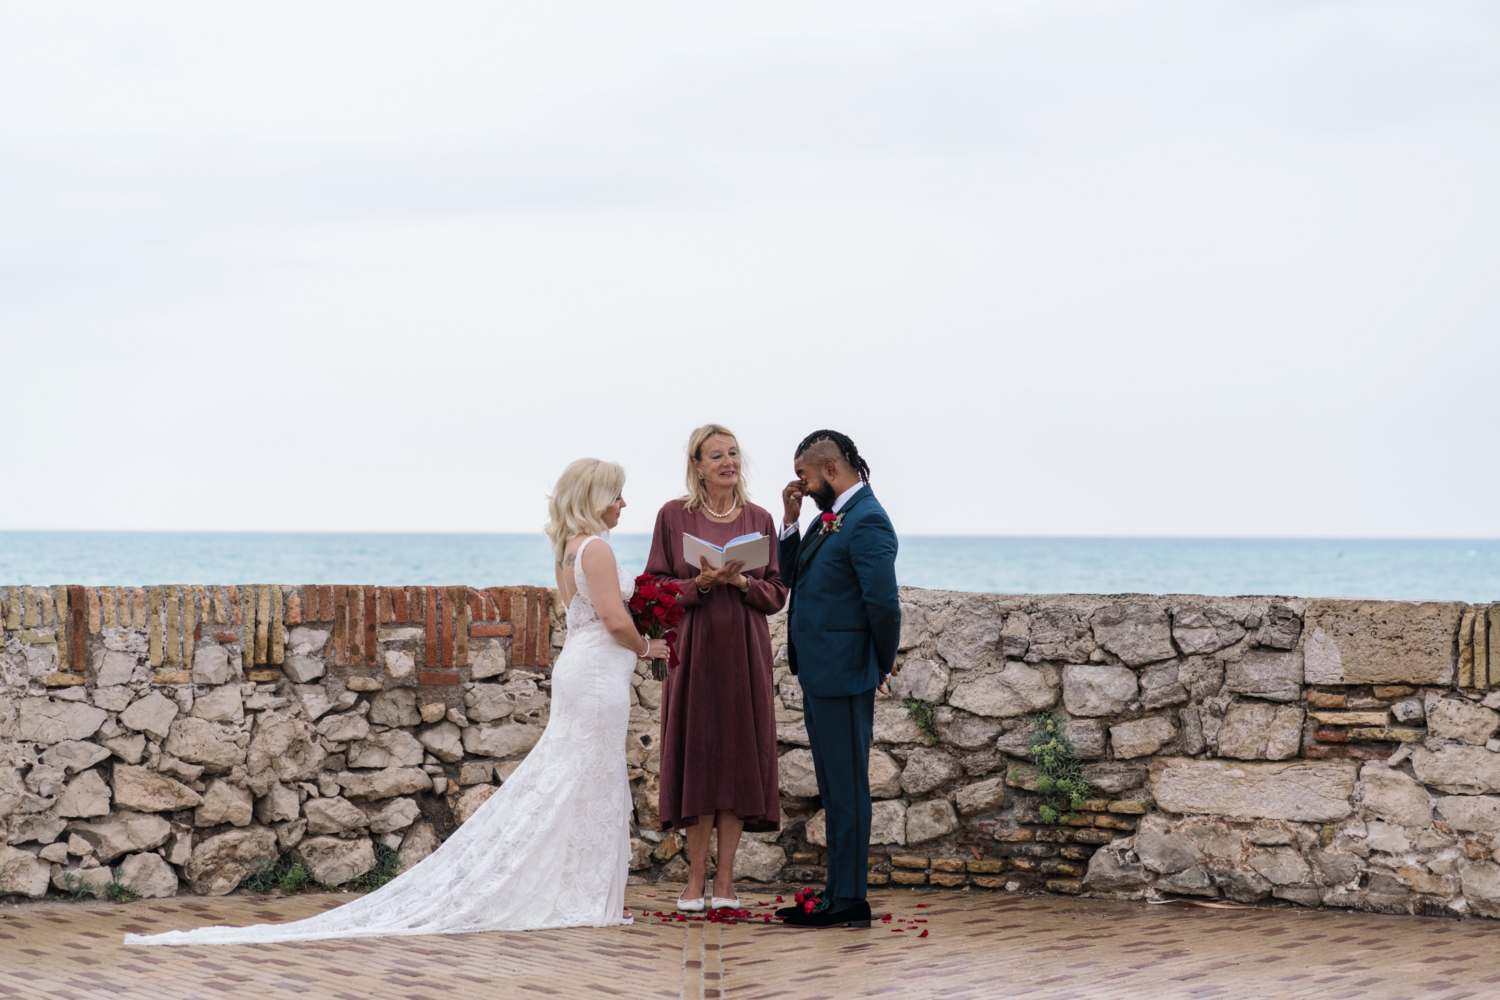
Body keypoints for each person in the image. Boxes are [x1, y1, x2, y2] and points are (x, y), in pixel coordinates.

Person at [126, 458, 668, 945]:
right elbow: (615, 620)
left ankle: (571, 887)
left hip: (584, 668)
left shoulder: (566, 549)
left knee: (575, 773)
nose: (623, 504)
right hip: (597, 674)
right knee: (586, 774)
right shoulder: (594, 547)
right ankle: (576, 890)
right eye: (617, 494)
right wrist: (649, 648)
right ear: (595, 497)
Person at [646, 424, 787, 911]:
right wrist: (702, 584)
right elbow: (656, 586)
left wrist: (743, 584)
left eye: (733, 453)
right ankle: (693, 881)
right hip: (695, 652)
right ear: (698, 466)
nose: (728, 462)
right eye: (716, 456)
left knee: (737, 762)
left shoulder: (761, 518)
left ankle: (725, 881)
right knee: (697, 760)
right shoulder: (672, 516)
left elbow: (777, 593)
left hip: (745, 654)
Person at [773, 430, 899, 929]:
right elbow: (793, 579)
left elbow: (883, 605)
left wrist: (880, 664)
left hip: (846, 673)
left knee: (847, 790)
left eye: (804, 476)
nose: (800, 485)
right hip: (822, 670)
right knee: (833, 786)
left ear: (829, 470)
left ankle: (850, 899)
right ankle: (835, 893)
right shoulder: (830, 519)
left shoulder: (867, 520)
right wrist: (790, 522)